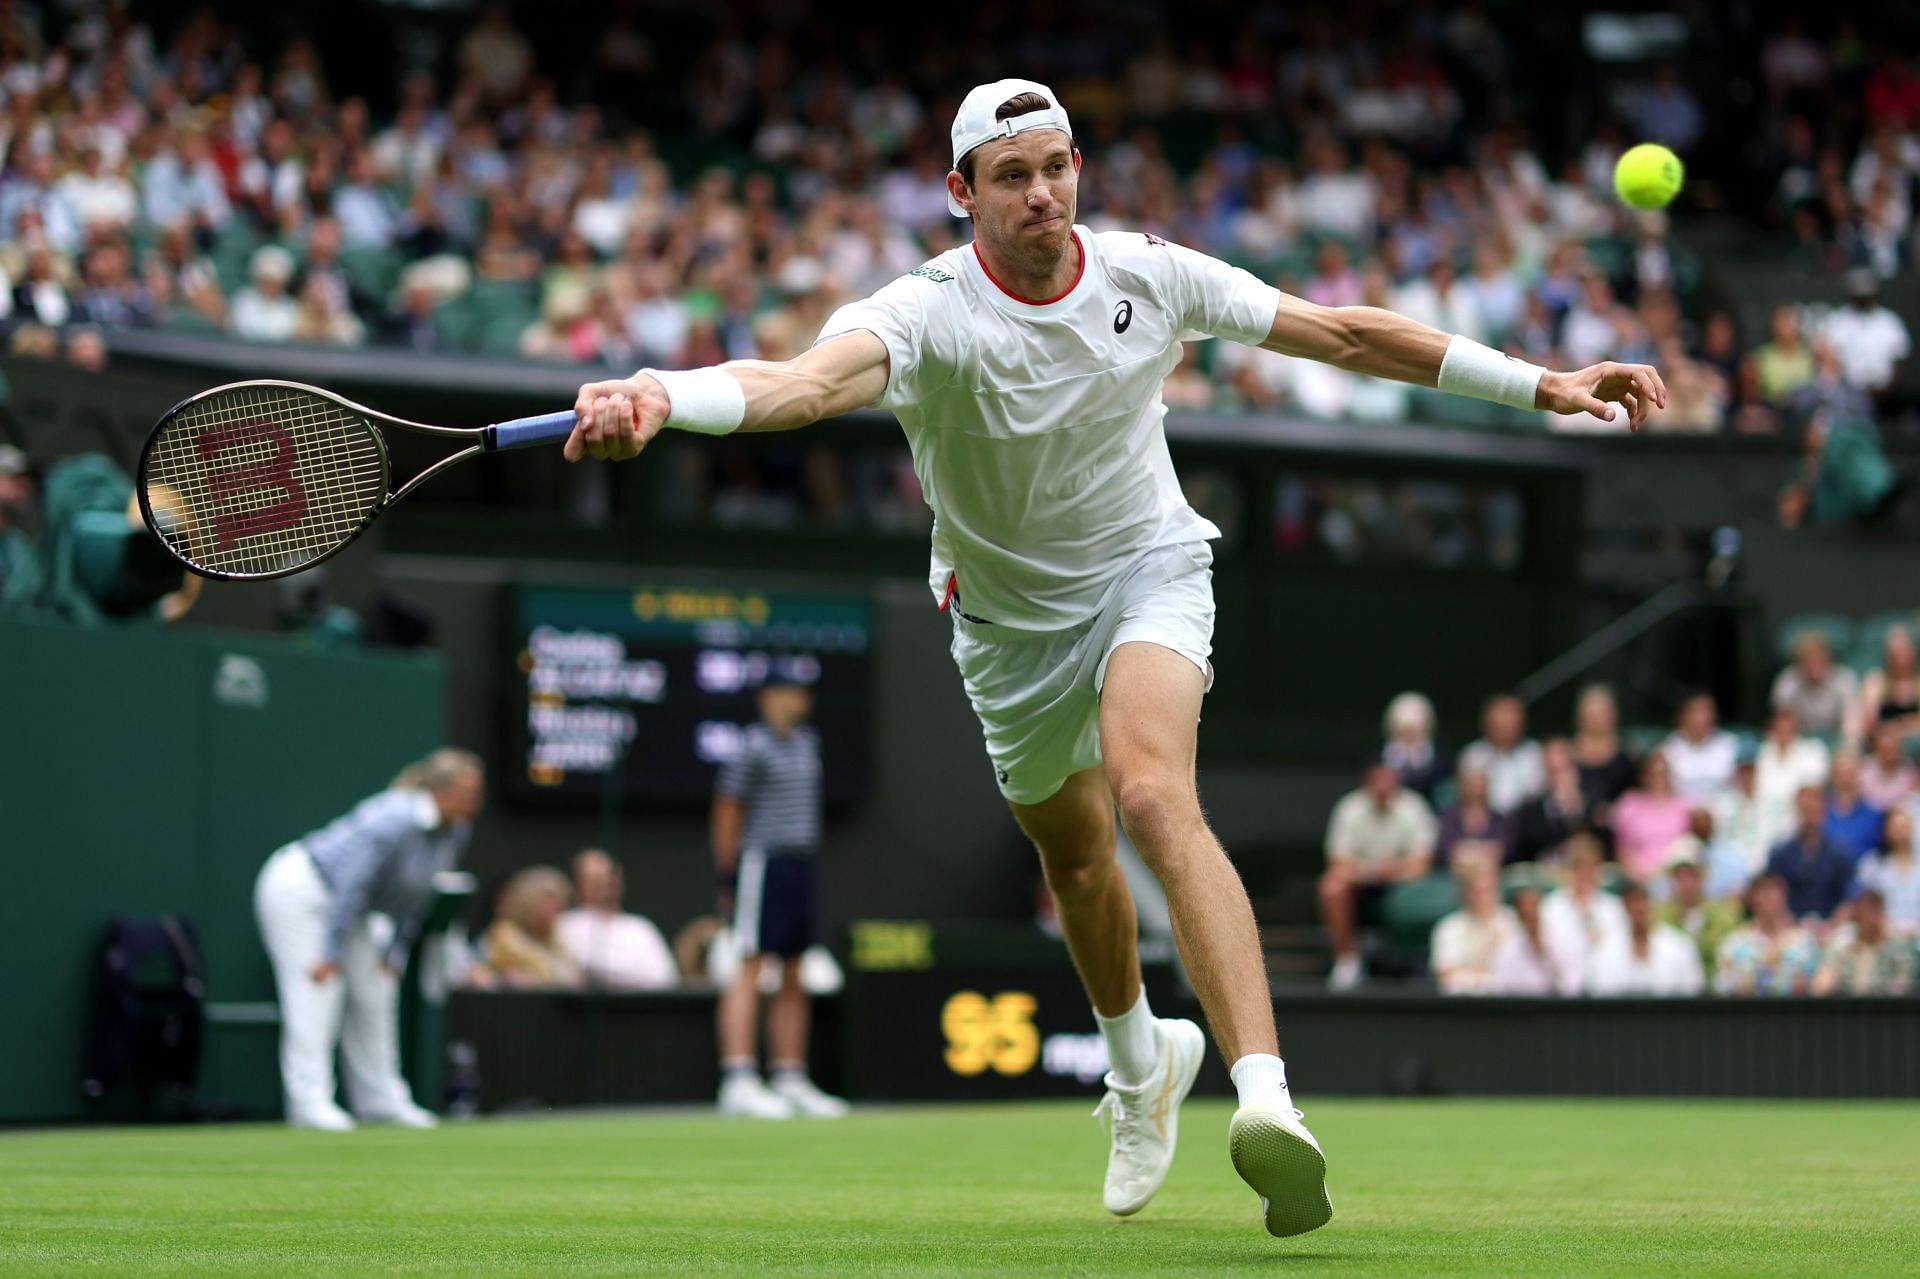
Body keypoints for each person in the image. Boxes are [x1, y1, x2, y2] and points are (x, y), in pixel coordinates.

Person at [561, 78, 1664, 1236]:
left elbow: (1340, 331)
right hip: (1006, 626)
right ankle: (1142, 1069)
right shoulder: (925, 312)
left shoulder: (1149, 270)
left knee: (1151, 792)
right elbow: (794, 385)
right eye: (1011, 176)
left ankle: (1269, 1101)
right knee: (1078, 864)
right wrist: (662, 393)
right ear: (959, 193)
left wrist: (1541, 382)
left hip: (1150, 565)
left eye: (1058, 166)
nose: (1043, 193)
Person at [252, 748, 484, 1130]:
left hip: (354, 910)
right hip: (303, 892)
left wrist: (394, 952)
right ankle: (309, 1104)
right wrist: (330, 952)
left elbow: (419, 894)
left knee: (377, 990)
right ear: (440, 790)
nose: (476, 801)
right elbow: (351, 883)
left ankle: (381, 1101)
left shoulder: (457, 830)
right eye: (467, 791)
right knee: (318, 991)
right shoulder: (391, 818)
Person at [711, 671, 847, 1120]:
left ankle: (789, 1076)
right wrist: (728, 877)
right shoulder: (751, 746)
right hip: (761, 864)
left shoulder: (809, 742)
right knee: (751, 966)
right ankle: (739, 1078)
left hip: (800, 864)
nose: (801, 699)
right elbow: (728, 810)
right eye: (792, 691)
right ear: (769, 697)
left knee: (795, 969)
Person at [1320, 762, 1437, 991]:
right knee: (1331, 887)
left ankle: (1418, 964)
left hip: (1404, 883)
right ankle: (1347, 961)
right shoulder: (1349, 808)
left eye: (1388, 781)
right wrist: (1372, 869)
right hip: (1361, 881)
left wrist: (1392, 870)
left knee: (1424, 884)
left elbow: (1423, 861)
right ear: (1368, 782)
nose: (1383, 787)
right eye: (1378, 781)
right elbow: (1337, 860)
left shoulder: (1414, 807)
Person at [557, 849, 677, 990]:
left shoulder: (641, 927)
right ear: (579, 883)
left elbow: (665, 977)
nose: (606, 886)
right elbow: (579, 968)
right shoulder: (565, 925)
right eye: (597, 879)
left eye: (611, 878)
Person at [1586, 883, 1706, 996]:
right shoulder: (1603, 949)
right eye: (1632, 902)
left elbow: (1693, 992)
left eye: (1643, 900)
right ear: (1624, 907)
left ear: (1653, 904)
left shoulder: (1680, 946)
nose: (1638, 908)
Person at [1764, 786, 1859, 923]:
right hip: (1790, 924)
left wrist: (1832, 924)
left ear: (1823, 811)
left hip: (1830, 924)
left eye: (1813, 810)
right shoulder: (1781, 854)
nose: (1809, 816)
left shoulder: (1840, 853)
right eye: (1805, 810)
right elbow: (1771, 893)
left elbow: (1850, 896)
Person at [1715, 875, 1820, 995]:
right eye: (1762, 891)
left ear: (1785, 896)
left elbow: (1816, 985)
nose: (1768, 896)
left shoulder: (1805, 941)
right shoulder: (1732, 942)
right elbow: (1723, 986)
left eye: (1773, 890)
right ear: (1751, 898)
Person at [483, 866, 584, 988]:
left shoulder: (556, 937)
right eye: (549, 899)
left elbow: (574, 979)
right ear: (527, 901)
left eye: (561, 899)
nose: (558, 905)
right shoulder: (504, 934)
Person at [1540, 834, 1631, 962]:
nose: (1584, 875)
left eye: (1589, 868)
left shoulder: (1614, 907)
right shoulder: (1551, 906)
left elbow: (1619, 949)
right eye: (1578, 868)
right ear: (1569, 871)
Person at [1655, 847, 1742, 979]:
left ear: (1703, 877)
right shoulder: (1658, 917)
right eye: (1679, 876)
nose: (1686, 883)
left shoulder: (1723, 919)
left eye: (1691, 875)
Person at [1430, 861, 1515, 994]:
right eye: (1478, 891)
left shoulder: (1513, 922)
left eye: (1489, 889)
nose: (1484, 897)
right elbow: (1445, 975)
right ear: (1466, 893)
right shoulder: (1449, 928)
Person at [1753, 708, 1830, 855]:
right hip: (1764, 820)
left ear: (1796, 730)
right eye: (1779, 728)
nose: (1783, 733)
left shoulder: (1812, 752)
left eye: (1788, 728)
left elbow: (1812, 796)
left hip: (1796, 824)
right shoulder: (1762, 754)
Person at [1609, 751, 1693, 885]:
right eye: (1653, 774)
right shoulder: (1629, 803)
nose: (1658, 779)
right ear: (1644, 775)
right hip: (1638, 877)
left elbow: (1687, 847)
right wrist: (1639, 875)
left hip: (1675, 878)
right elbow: (1622, 849)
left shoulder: (1683, 805)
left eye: (1662, 774)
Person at [1812, 889, 1916, 995]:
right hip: (1846, 1002)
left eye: (1875, 912)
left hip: (1884, 1004)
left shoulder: (1895, 944)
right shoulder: (1842, 940)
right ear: (1857, 913)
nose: (1870, 918)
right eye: (1865, 911)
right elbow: (1822, 982)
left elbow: (1904, 979)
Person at [1458, 694, 1547, 816]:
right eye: (1502, 723)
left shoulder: (1535, 753)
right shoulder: (1473, 755)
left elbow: (1537, 794)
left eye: (1513, 721)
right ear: (1487, 724)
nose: (1508, 725)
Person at [1490, 883, 1585, 994]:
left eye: (1533, 905)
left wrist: (1544, 955)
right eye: (1523, 908)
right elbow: (1505, 988)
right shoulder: (1508, 948)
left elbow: (1572, 985)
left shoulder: (1565, 941)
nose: (1529, 913)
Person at [1512, 737, 1593, 864]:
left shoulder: (1593, 799)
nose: (1561, 778)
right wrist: (1557, 810)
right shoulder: (1530, 809)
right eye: (1553, 772)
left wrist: (1576, 810)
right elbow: (1526, 845)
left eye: (1564, 770)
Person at [1770, 633, 1860, 745]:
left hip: (1837, 739)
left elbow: (1852, 725)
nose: (1814, 666)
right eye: (1808, 660)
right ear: (1798, 663)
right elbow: (1783, 725)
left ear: (1828, 659)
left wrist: (1847, 749)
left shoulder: (1845, 680)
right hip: (1800, 742)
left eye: (1819, 660)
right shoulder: (1786, 682)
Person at [1569, 685, 1637, 819]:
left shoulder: (1628, 754)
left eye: (1600, 713)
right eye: (1590, 714)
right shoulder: (1565, 754)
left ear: (1613, 715)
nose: (1595, 720)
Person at [1434, 765, 1515, 870]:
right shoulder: (1447, 818)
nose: (1476, 789)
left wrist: (1467, 851)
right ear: (1461, 786)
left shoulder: (1500, 820)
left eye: (1480, 783)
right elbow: (1446, 851)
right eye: (1471, 784)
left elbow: (1504, 851)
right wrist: (1485, 851)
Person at [1856, 807, 1920, 937]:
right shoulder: (1873, 865)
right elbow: (1866, 902)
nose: (1900, 831)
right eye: (1895, 826)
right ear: (1886, 830)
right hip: (1883, 931)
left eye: (1904, 826)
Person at [1661, 691, 1737, 797]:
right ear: (1682, 715)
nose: (1702, 717)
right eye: (1695, 711)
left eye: (1707, 711)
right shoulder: (1667, 750)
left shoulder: (1731, 745)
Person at [1381, 690, 1448, 804]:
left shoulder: (1441, 757)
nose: (1410, 733)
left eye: (1414, 728)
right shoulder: (1380, 756)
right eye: (1404, 729)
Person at [1860, 624, 1920, 745]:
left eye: (1904, 652)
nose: (1900, 658)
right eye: (1895, 653)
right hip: (1882, 744)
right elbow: (1869, 723)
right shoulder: (1875, 681)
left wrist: (1900, 727)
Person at [1822, 751, 1883, 862]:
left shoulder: (1873, 815)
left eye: (1849, 773)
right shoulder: (1819, 811)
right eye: (1840, 773)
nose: (1845, 778)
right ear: (1832, 775)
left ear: (1858, 774)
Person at [1858, 723, 1917, 813]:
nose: (1890, 754)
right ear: (1877, 749)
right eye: (1886, 749)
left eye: (1893, 749)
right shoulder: (1864, 769)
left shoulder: (1909, 772)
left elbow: (1910, 802)